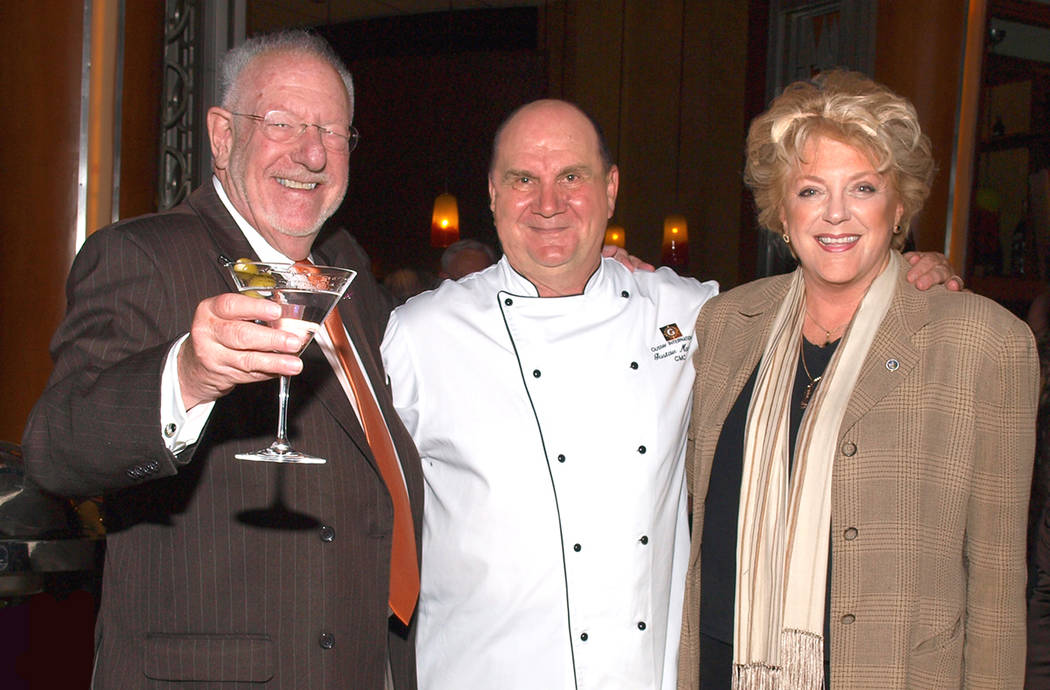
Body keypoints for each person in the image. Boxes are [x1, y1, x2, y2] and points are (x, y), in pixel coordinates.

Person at [380, 98, 956, 690]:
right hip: (478, 673)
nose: (548, 203)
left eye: (571, 177)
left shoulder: (689, 313)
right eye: (523, 179)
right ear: (494, 195)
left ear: (610, 190)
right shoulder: (421, 334)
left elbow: (822, 305)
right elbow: (368, 513)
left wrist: (902, 272)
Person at [21, 31, 422, 689]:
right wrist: (186, 376)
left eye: (332, 130)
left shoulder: (346, 265)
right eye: (283, 123)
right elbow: (56, 448)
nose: (312, 152)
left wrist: (595, 278)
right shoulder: (143, 255)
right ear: (221, 134)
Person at [677, 70, 1038, 689]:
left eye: (863, 187)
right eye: (811, 190)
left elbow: (999, 577)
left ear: (898, 206)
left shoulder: (984, 343)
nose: (836, 214)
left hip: (891, 672)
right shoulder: (726, 324)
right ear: (781, 212)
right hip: (724, 666)